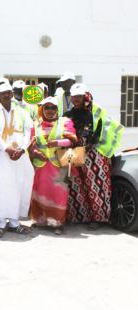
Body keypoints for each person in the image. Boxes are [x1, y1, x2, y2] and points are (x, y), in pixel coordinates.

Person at [64, 84, 124, 230]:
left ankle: (99, 218)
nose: (76, 99)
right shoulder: (68, 114)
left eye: (79, 96)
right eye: (74, 96)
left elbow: (104, 128)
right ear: (71, 97)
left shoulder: (95, 111)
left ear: (84, 96)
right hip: (74, 151)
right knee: (75, 184)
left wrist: (92, 142)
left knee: (97, 185)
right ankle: (80, 216)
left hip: (94, 152)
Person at [0, 83, 34, 238]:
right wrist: (6, 148)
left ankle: (15, 223)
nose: (6, 95)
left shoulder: (22, 112)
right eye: (2, 93)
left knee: (18, 186)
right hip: (2, 156)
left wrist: (22, 149)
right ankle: (0, 224)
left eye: (8, 92)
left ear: (11, 93)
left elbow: (29, 131)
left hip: (20, 155)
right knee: (1, 187)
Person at [29, 97, 77, 235]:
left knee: (58, 194)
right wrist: (36, 152)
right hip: (40, 165)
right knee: (39, 192)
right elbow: (30, 143)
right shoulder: (36, 124)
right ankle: (40, 220)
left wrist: (57, 143)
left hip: (58, 165)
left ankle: (57, 223)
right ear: (42, 109)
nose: (50, 111)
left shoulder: (65, 122)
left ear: (57, 109)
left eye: (53, 108)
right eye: (47, 107)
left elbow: (73, 140)